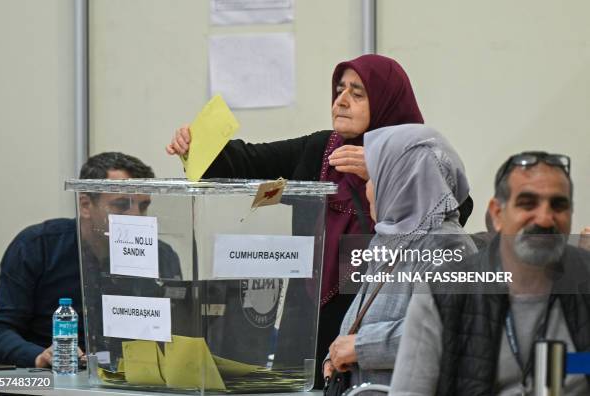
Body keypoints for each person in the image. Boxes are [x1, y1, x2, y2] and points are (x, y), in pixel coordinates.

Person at [167, 54, 433, 386]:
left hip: (374, 319)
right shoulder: (321, 149)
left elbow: (452, 210)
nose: (342, 101)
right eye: (339, 90)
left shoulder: (418, 155)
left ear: (385, 101)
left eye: (357, 93)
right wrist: (195, 145)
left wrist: (386, 167)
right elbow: (243, 162)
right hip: (307, 316)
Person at [390, 151, 590, 395]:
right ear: (497, 214)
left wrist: (571, 364)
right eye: (527, 203)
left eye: (559, 205)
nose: (545, 219)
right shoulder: (442, 292)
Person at [0, 152, 181, 368]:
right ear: (86, 205)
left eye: (143, 206)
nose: (135, 216)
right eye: (122, 205)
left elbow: (178, 330)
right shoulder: (38, 246)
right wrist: (40, 356)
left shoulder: (160, 255)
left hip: (131, 378)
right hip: (52, 379)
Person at [324, 124, 477, 388]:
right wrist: (334, 355)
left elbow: (447, 329)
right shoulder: (390, 239)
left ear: (403, 182)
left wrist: (361, 346)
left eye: (375, 177)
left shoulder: (450, 247)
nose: (368, 190)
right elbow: (364, 314)